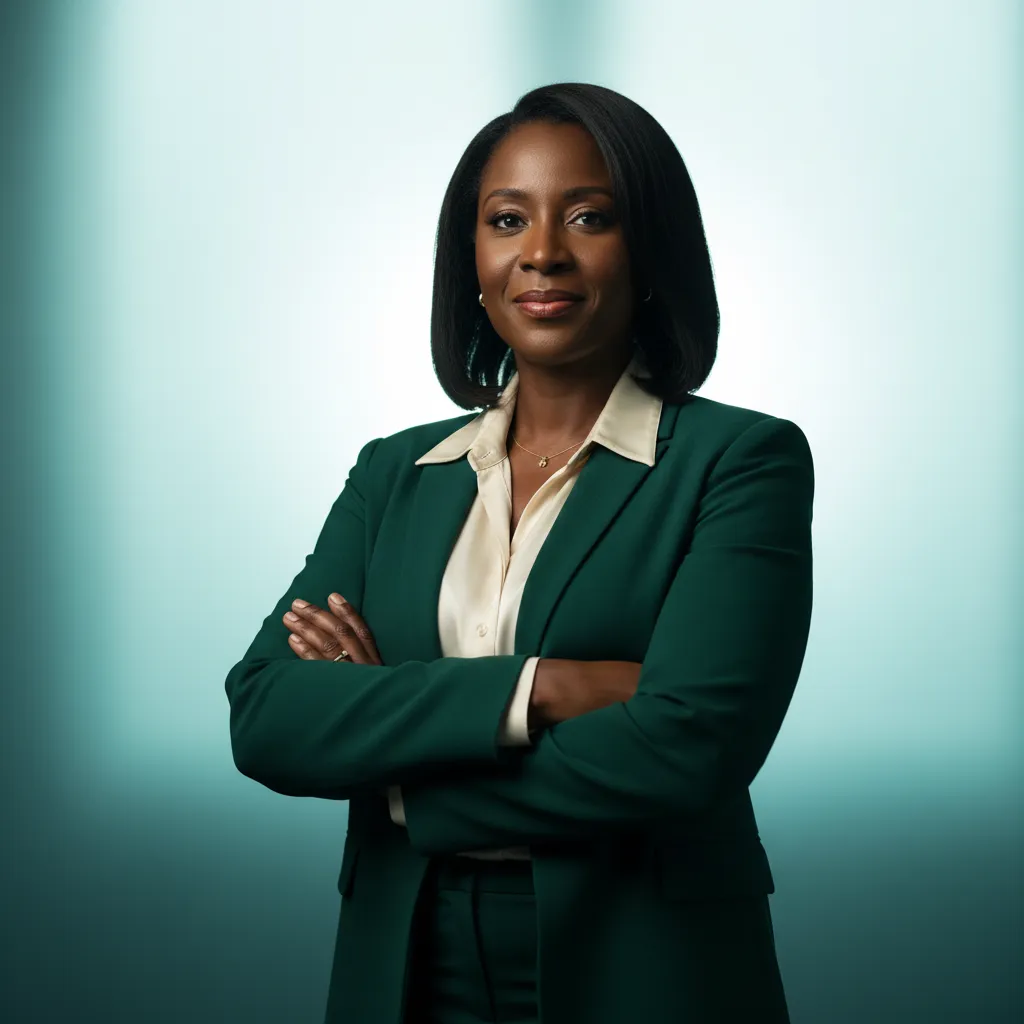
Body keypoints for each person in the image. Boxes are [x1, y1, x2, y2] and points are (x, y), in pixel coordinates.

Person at [224, 82, 814, 1024]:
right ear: (474, 256)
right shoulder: (396, 473)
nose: (542, 251)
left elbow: (691, 747)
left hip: (649, 960)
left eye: (590, 216)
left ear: (650, 249)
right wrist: (542, 689)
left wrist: (405, 778)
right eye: (507, 219)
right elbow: (267, 716)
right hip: (405, 955)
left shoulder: (739, 461)